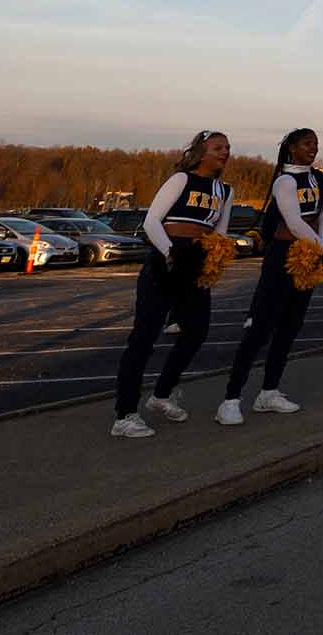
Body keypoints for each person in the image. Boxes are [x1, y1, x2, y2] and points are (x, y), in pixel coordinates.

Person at [112, 129, 232, 438]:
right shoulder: (181, 179)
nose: (224, 152)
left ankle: (162, 394)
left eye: (227, 148)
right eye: (218, 147)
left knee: (197, 331)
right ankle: (124, 415)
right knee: (144, 338)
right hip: (164, 263)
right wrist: (170, 254)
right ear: (201, 152)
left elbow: (220, 232)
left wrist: (212, 262)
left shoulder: (225, 191)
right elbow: (152, 221)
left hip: (195, 267)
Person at [220, 127, 323, 424]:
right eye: (307, 144)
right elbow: (294, 221)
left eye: (316, 144)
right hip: (283, 257)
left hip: (308, 254)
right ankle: (231, 399)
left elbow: (322, 216)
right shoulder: (284, 180)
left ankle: (268, 392)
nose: (313, 148)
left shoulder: (321, 178)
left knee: (290, 327)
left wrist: (319, 248)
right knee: (261, 329)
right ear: (291, 148)